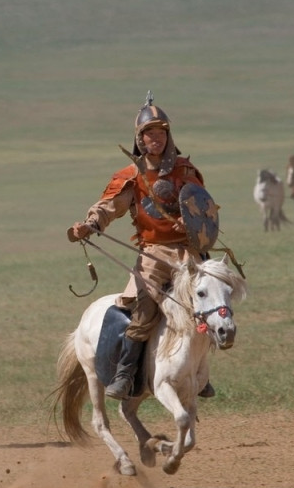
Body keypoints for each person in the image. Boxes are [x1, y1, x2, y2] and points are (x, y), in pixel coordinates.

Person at [68, 92, 214, 400]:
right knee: (144, 311)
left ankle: (201, 372)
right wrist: (91, 224)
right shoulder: (131, 177)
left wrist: (189, 225)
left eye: (161, 132)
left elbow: (205, 209)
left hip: (187, 252)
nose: (156, 138)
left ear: (168, 135)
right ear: (140, 138)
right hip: (153, 254)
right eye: (150, 133)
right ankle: (124, 373)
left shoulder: (185, 172)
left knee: (210, 303)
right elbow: (111, 206)